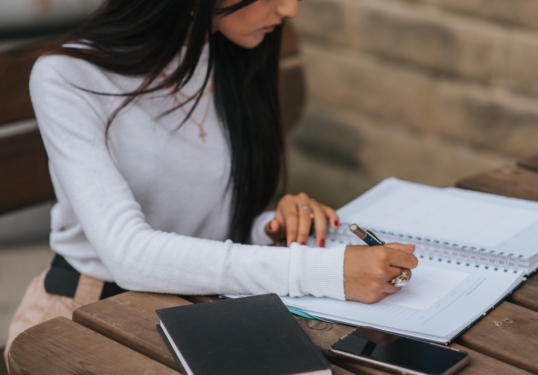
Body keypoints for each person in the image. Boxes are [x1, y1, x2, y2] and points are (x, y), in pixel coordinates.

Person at [3, 0, 418, 362]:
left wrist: (273, 228)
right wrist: (326, 271)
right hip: (91, 311)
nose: (291, 9)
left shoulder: (228, 50)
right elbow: (128, 254)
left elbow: (209, 222)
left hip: (202, 308)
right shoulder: (69, 76)